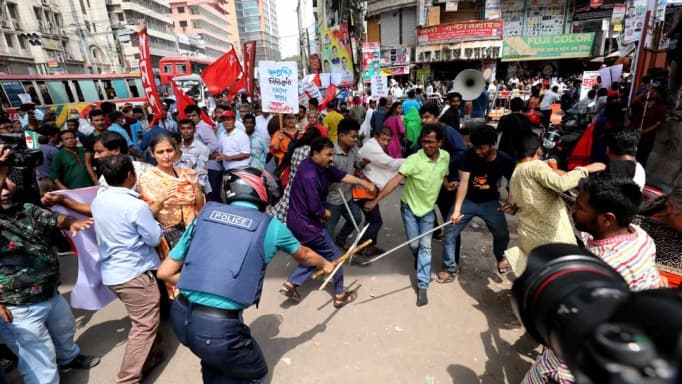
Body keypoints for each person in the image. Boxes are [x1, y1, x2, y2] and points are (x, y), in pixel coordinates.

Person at [157, 168, 333, 383]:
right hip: (218, 330)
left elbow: (164, 272)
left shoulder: (204, 216)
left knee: (213, 363)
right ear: (259, 191)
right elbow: (305, 255)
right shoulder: (271, 227)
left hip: (181, 317)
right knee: (255, 374)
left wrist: (205, 285)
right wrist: (325, 263)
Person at [522, 174, 665, 384]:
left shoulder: (597, 270)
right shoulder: (641, 237)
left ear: (607, 219)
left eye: (579, 207)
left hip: (571, 367)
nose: (573, 210)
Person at [0, 146, 100, 384]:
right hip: (18, 305)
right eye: (1, 184)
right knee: (39, 359)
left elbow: (54, 219)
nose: (5, 190)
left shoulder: (24, 209)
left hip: (49, 292)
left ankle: (68, 357)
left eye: (7, 183)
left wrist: (72, 222)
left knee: (64, 329)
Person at [91, 154, 164, 384]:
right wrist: (157, 218)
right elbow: (153, 238)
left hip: (115, 273)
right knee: (144, 327)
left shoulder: (99, 200)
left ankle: (148, 360)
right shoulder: (135, 205)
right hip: (134, 274)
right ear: (131, 175)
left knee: (141, 321)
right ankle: (128, 379)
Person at [279, 137, 375, 307]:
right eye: (328, 154)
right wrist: (325, 212)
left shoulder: (317, 165)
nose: (332, 158)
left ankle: (291, 283)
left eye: (332, 154)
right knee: (334, 257)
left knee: (316, 254)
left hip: (297, 222)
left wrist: (361, 182)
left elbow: (340, 175)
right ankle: (340, 294)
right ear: (315, 154)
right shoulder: (310, 175)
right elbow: (313, 206)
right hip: (308, 226)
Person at [365, 125, 450, 306]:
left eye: (431, 142)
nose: (426, 145)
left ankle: (422, 284)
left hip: (428, 210)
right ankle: (418, 258)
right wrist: (375, 201)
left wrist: (448, 185)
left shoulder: (445, 157)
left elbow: (443, 174)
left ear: (440, 143)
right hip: (410, 208)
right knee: (414, 245)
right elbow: (395, 182)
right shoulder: (413, 160)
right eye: (424, 142)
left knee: (425, 247)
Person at [501, 135, 605, 273]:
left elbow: (521, 200)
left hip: (529, 232)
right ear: (538, 151)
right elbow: (561, 184)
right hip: (550, 232)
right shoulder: (535, 166)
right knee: (563, 266)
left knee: (540, 264)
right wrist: (586, 169)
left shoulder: (516, 173)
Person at [445, 125, 515, 277]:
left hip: (490, 202)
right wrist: (457, 210)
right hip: (468, 201)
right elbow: (463, 183)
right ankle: (450, 267)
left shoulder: (505, 160)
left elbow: (514, 183)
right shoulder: (468, 156)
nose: (477, 151)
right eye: (475, 147)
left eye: (481, 148)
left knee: (502, 234)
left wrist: (511, 202)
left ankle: (500, 256)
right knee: (450, 232)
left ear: (493, 145)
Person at [355, 127, 405, 260]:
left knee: (371, 220)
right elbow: (388, 163)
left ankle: (369, 246)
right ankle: (359, 247)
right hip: (362, 191)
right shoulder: (371, 148)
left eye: (388, 140)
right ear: (376, 136)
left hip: (369, 190)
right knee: (375, 221)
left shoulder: (374, 147)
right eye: (383, 139)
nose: (386, 143)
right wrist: (410, 161)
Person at [267, 126, 324, 222]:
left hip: (290, 183)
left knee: (284, 209)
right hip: (303, 188)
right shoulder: (311, 152)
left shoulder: (296, 148)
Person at [325, 119, 364, 248]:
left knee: (356, 218)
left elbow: (357, 162)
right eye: (353, 137)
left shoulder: (353, 148)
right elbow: (331, 175)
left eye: (357, 137)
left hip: (347, 195)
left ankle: (341, 238)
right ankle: (326, 256)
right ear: (341, 136)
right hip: (333, 198)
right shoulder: (331, 153)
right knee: (328, 230)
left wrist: (362, 164)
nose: (355, 140)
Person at [186, 104, 221, 202]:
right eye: (189, 116)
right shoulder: (193, 128)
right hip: (203, 167)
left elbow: (214, 145)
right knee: (207, 195)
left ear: (199, 116)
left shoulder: (203, 127)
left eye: (194, 115)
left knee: (213, 195)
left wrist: (200, 155)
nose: (191, 118)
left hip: (211, 167)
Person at [176, 119, 211, 195]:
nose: (186, 131)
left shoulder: (202, 148)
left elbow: (201, 172)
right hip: (180, 186)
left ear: (194, 130)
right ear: (179, 130)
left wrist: (198, 191)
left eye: (189, 128)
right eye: (183, 128)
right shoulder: (177, 146)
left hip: (197, 187)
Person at [36, 125, 59, 196]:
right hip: (52, 182)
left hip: (38, 181)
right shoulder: (53, 150)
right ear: (50, 137)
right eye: (57, 136)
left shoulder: (35, 148)